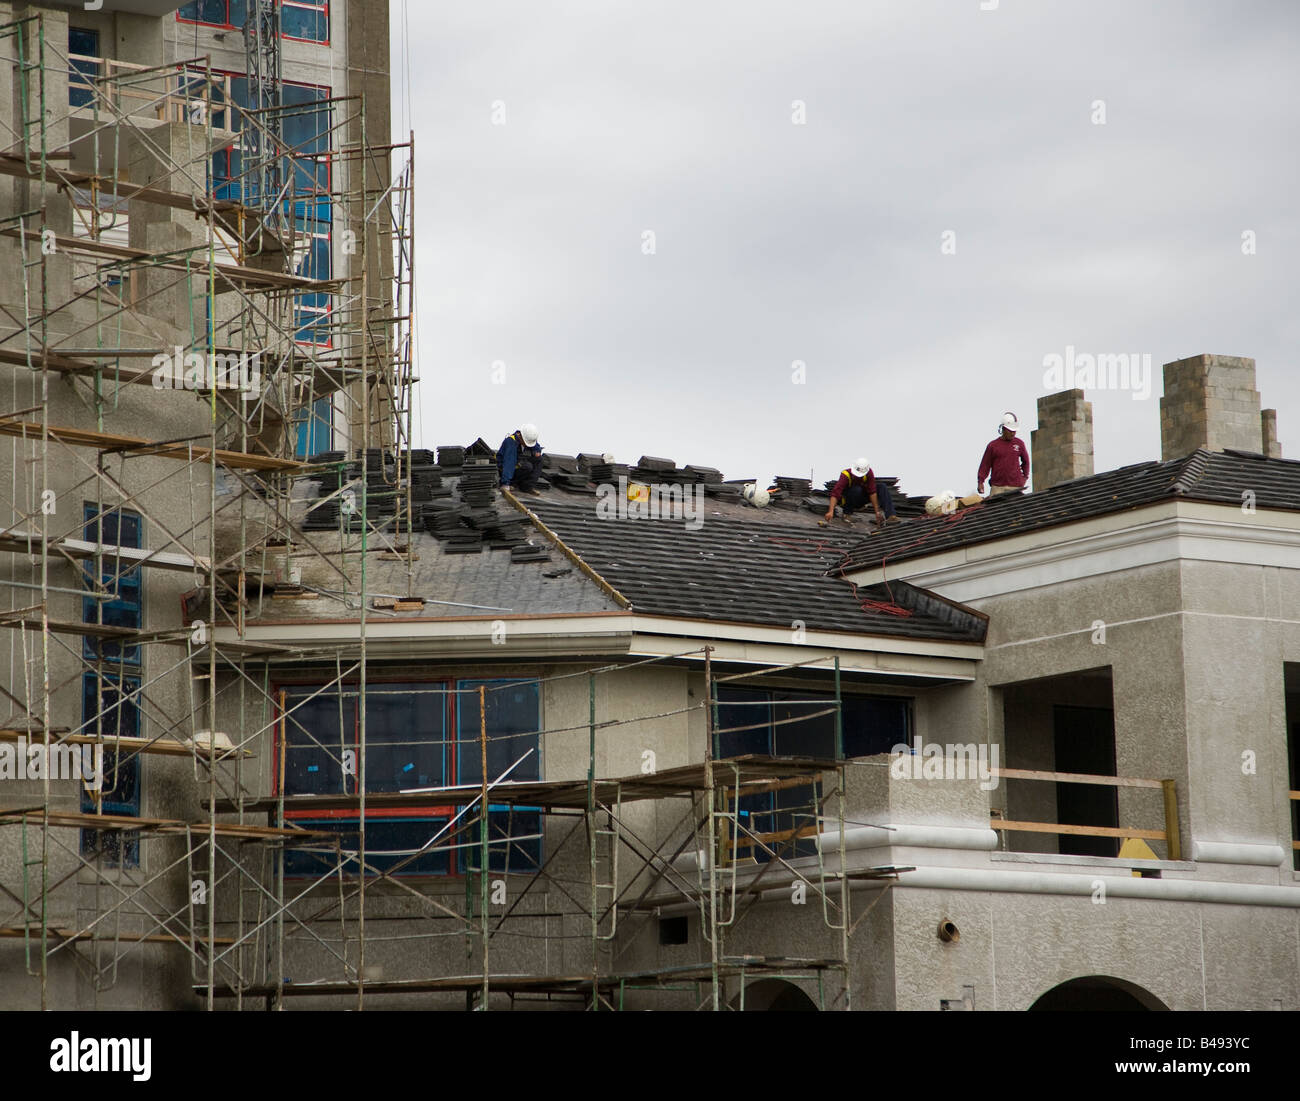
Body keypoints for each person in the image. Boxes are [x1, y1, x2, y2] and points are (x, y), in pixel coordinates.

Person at [824, 458, 899, 525]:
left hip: (861, 499)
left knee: (882, 487)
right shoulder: (845, 474)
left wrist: (877, 512)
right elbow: (835, 494)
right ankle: (847, 514)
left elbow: (872, 492)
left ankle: (891, 516)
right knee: (856, 489)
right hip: (847, 500)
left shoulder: (868, 472)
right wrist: (831, 511)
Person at [977, 412, 1030, 496]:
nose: (1013, 433)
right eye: (1010, 431)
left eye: (1014, 431)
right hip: (997, 488)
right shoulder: (993, 446)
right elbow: (985, 465)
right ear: (1003, 429)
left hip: (1016, 487)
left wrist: (1025, 477)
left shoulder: (1019, 443)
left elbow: (1026, 462)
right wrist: (980, 482)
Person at [497, 423, 543, 495]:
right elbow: (509, 462)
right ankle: (509, 483)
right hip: (504, 468)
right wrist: (505, 483)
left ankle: (527, 486)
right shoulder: (511, 442)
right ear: (521, 436)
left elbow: (535, 446)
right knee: (527, 466)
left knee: (539, 459)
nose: (526, 445)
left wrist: (537, 451)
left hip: (517, 464)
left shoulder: (527, 437)